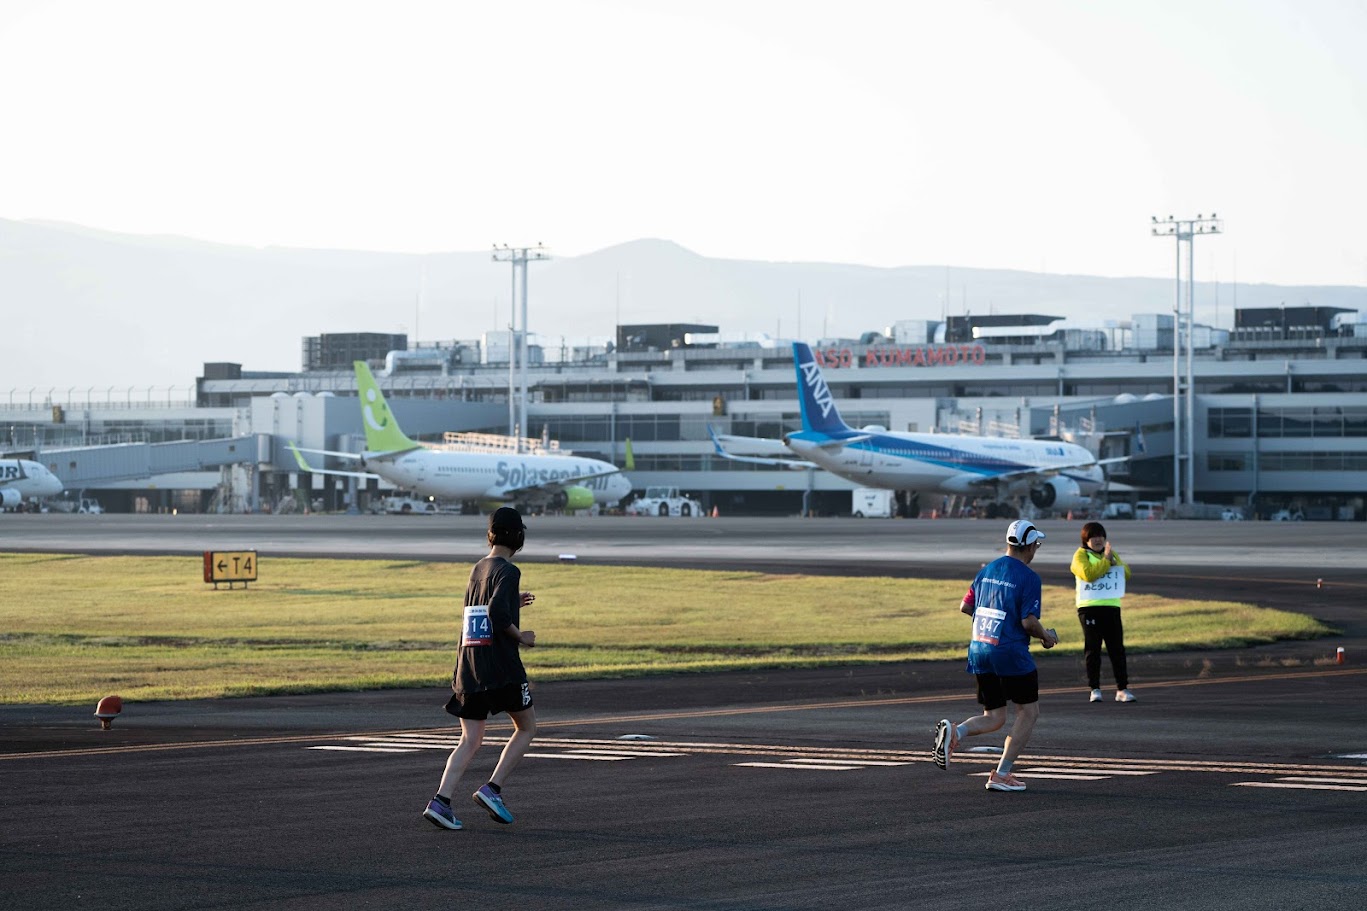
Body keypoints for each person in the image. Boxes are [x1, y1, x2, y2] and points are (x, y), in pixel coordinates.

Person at [423, 506, 539, 830]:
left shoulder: (478, 568)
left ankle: (441, 801)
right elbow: (497, 615)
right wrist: (522, 637)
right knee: (527, 727)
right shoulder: (509, 570)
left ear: (490, 534)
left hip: (469, 666)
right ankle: (493, 788)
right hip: (500, 668)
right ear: (518, 537)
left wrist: (512, 600)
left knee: (470, 740)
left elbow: (484, 607)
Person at [933, 518, 1060, 792]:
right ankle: (1001, 774)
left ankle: (957, 732)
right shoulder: (1028, 577)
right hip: (1010, 652)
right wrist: (1046, 636)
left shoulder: (987, 570)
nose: (1036, 549)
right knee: (1028, 712)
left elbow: (965, 607)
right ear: (1029, 546)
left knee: (995, 716)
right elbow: (1028, 622)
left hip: (980, 650)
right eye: (1036, 544)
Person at [1071, 520, 1135, 703]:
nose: (1097, 539)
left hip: (1111, 607)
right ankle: (1095, 688)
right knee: (1093, 649)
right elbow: (1088, 574)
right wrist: (1106, 561)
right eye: (1092, 536)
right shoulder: (1080, 555)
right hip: (1089, 608)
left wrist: (1113, 561)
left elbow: (1126, 574)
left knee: (1117, 649)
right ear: (1085, 539)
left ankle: (1122, 689)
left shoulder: (1110, 554)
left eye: (1100, 535)